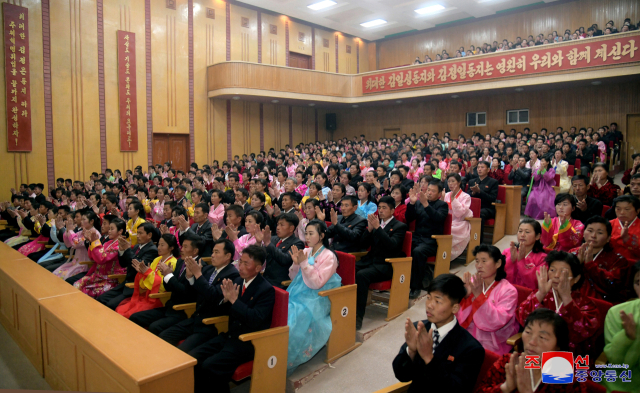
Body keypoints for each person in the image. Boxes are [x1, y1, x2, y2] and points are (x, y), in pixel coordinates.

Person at [191, 245, 275, 393]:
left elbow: (255, 320)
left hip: (247, 342)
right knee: (193, 358)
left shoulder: (266, 290)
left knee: (210, 366)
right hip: (229, 336)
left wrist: (235, 301)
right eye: (240, 262)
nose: (240, 267)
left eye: (245, 263)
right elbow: (224, 307)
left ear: (257, 268)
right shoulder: (238, 281)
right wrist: (225, 301)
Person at [392, 274, 485, 392]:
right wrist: (411, 351)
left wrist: (429, 358)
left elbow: (456, 389)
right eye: (428, 298)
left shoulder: (471, 348)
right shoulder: (419, 328)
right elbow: (402, 375)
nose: (429, 305)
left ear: (455, 308)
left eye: (437, 301)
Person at [475, 308, 586, 393]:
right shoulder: (509, 362)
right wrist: (505, 388)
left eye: (542, 338)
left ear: (559, 346)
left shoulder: (566, 377)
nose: (532, 342)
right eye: (528, 332)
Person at [159, 239, 240, 353]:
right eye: (212, 252)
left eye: (216, 252)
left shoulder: (232, 275)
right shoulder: (209, 269)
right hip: (195, 318)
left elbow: (212, 295)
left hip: (210, 324)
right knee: (163, 336)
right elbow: (192, 292)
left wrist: (197, 274)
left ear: (227, 256)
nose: (212, 255)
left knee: (182, 351)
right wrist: (190, 277)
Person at [516, 251, 600, 358]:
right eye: (552, 270)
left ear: (576, 278)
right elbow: (522, 317)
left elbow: (582, 333)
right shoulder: (542, 294)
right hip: (536, 352)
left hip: (569, 357)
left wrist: (567, 299)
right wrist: (541, 293)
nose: (556, 276)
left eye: (563, 272)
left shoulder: (586, 304)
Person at [286, 220, 341, 373]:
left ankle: (286, 360)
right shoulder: (305, 251)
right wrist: (296, 264)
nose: (307, 237)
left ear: (322, 235)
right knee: (280, 312)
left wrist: (304, 265)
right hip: (298, 292)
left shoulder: (329, 256)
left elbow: (317, 283)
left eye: (311, 233)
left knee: (294, 319)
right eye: (306, 233)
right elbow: (293, 278)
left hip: (318, 298)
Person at [129, 234, 204, 334]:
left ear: (195, 251)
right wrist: (166, 276)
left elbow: (185, 292)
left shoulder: (200, 267)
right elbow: (169, 288)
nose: (181, 249)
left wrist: (169, 276)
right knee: (135, 317)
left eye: (185, 247)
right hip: (170, 307)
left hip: (182, 310)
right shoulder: (181, 262)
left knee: (154, 327)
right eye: (182, 246)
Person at [355, 196, 408, 329]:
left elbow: (392, 245)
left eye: (384, 208)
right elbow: (362, 244)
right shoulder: (375, 223)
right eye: (379, 208)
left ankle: (357, 317)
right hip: (371, 261)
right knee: (350, 268)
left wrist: (378, 228)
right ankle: (346, 309)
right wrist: (370, 229)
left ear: (392, 210)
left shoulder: (399, 226)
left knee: (362, 275)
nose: (381, 210)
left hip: (386, 265)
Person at [457, 244, 519, 355]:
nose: (479, 266)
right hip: (467, 334)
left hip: (494, 341)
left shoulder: (508, 290)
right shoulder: (473, 282)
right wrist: (465, 296)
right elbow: (458, 315)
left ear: (498, 263)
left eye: (484, 261)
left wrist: (478, 296)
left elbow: (497, 321)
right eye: (477, 261)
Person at [96, 222, 159, 310]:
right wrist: (122, 251)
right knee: (101, 298)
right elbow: (123, 264)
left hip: (136, 287)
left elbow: (139, 266)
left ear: (149, 235)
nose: (137, 236)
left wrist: (128, 250)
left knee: (110, 305)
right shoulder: (137, 246)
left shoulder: (152, 250)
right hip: (126, 283)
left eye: (140, 233)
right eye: (137, 233)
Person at [571, 216, 633, 304]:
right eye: (590, 231)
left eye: (600, 233)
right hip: (574, 298)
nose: (593, 236)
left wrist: (590, 265)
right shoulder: (573, 253)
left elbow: (612, 285)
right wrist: (577, 265)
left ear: (608, 238)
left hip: (602, 303)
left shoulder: (618, 260)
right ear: (583, 233)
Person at [116, 234, 180, 318]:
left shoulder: (173, 262)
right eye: (159, 244)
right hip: (146, 295)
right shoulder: (157, 259)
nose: (159, 247)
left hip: (158, 298)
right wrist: (142, 273)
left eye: (162, 245)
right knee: (120, 309)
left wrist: (148, 273)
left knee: (130, 314)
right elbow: (145, 284)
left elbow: (162, 286)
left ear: (171, 248)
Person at [601, 261, 640, 393]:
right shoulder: (617, 312)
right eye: (638, 283)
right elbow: (617, 362)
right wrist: (627, 337)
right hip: (622, 384)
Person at [406, 181, 449, 298]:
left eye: (433, 191)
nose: (429, 193)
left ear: (439, 194)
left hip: (432, 240)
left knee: (418, 252)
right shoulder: (419, 203)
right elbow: (409, 218)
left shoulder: (442, 205)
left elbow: (438, 218)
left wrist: (426, 205)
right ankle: (401, 283)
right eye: (428, 190)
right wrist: (412, 203)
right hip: (417, 237)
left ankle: (415, 287)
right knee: (401, 247)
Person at [74, 217, 128, 298]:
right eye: (109, 228)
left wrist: (95, 242)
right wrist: (91, 242)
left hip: (110, 279)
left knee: (86, 292)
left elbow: (102, 259)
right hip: (98, 276)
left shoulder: (119, 245)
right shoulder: (108, 242)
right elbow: (93, 257)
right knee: (77, 285)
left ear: (120, 231)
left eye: (112, 229)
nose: (109, 231)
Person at [259, 213, 305, 288]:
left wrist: (268, 244)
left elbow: (284, 259)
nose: (278, 227)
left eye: (282, 225)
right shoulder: (273, 239)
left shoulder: (297, 243)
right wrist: (258, 242)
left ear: (291, 228)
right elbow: (261, 256)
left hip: (280, 283)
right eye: (278, 224)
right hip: (265, 279)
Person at [53, 211, 100, 280]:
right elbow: (68, 244)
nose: (82, 221)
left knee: (64, 277)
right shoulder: (82, 232)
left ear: (91, 221)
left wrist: (70, 231)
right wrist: (67, 231)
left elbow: (75, 244)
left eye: (84, 219)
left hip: (85, 264)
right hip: (75, 263)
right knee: (56, 273)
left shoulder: (94, 234)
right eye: (82, 219)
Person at [504, 218, 547, 290]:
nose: (522, 235)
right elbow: (499, 276)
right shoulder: (508, 252)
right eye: (520, 231)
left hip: (529, 296)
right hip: (506, 291)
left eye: (527, 232)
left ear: (537, 236)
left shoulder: (543, 258)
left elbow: (535, 282)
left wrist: (521, 262)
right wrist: (511, 260)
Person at [444, 174, 472, 260]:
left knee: (449, 231)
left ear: (459, 182)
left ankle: (446, 256)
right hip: (448, 221)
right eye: (449, 181)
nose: (450, 184)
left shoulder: (466, 196)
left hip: (460, 223)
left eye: (453, 181)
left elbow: (459, 213)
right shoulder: (446, 194)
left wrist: (453, 199)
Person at [467, 161, 499, 229]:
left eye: (482, 167)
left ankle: (478, 238)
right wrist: (473, 193)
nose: (479, 169)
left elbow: (492, 198)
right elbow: (467, 196)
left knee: (480, 213)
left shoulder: (493, 182)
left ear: (488, 170)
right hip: (473, 206)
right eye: (478, 167)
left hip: (487, 208)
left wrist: (479, 191)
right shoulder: (472, 181)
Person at [610, 195, 640, 262]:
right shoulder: (609, 225)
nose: (622, 212)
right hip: (611, 264)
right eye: (618, 209)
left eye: (627, 209)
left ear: (638, 211)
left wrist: (627, 239)